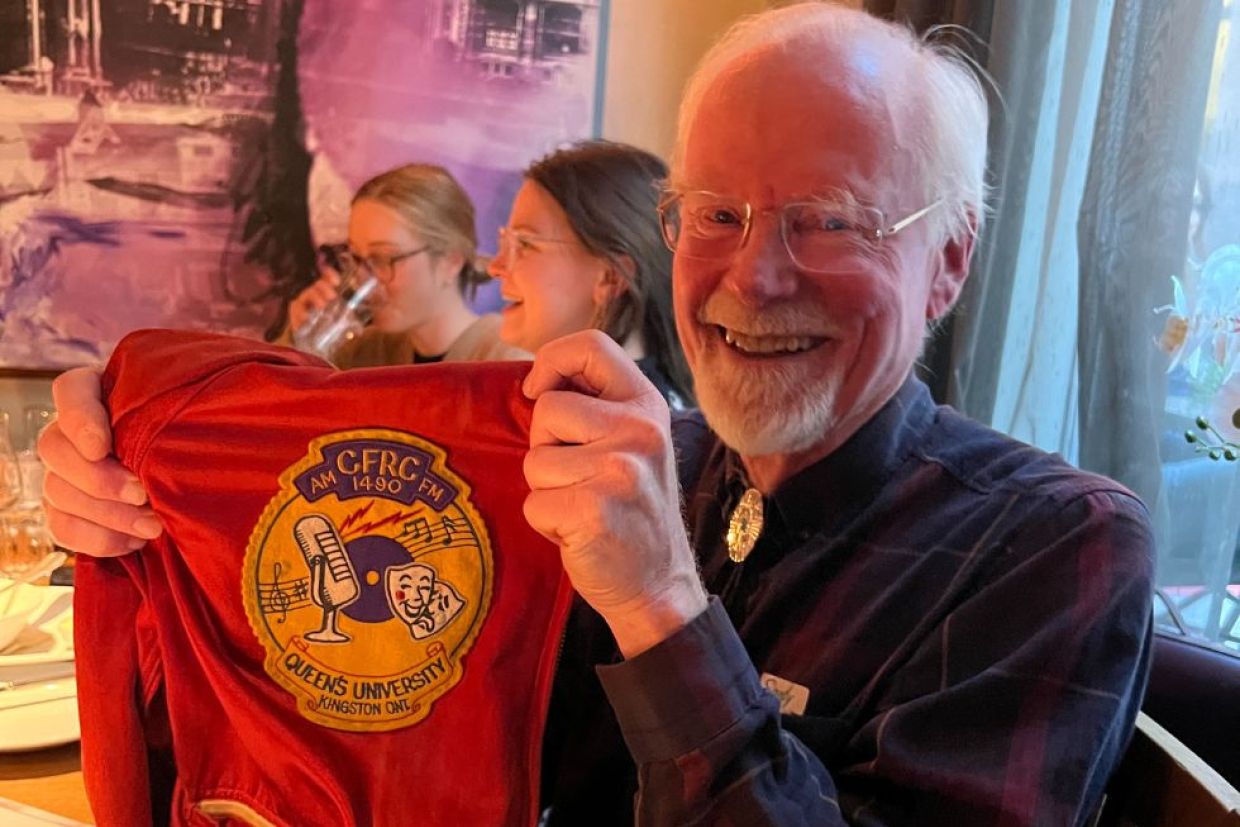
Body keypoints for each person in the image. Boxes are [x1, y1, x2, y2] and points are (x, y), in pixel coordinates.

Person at [40, 4, 1153, 825]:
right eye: (714, 212)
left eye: (828, 221)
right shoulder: (626, 460)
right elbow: (336, 703)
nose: (753, 276)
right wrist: (152, 474)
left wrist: (664, 604)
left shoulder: (1054, 544)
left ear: (948, 261)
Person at [489, 140, 694, 406]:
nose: (495, 267)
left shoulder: (634, 428)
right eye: (505, 243)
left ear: (611, 277)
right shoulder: (575, 400)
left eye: (525, 244)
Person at [284, 162, 528, 365]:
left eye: (383, 259)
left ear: (450, 262)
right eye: (356, 258)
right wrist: (296, 341)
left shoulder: (505, 361)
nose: (362, 278)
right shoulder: (364, 353)